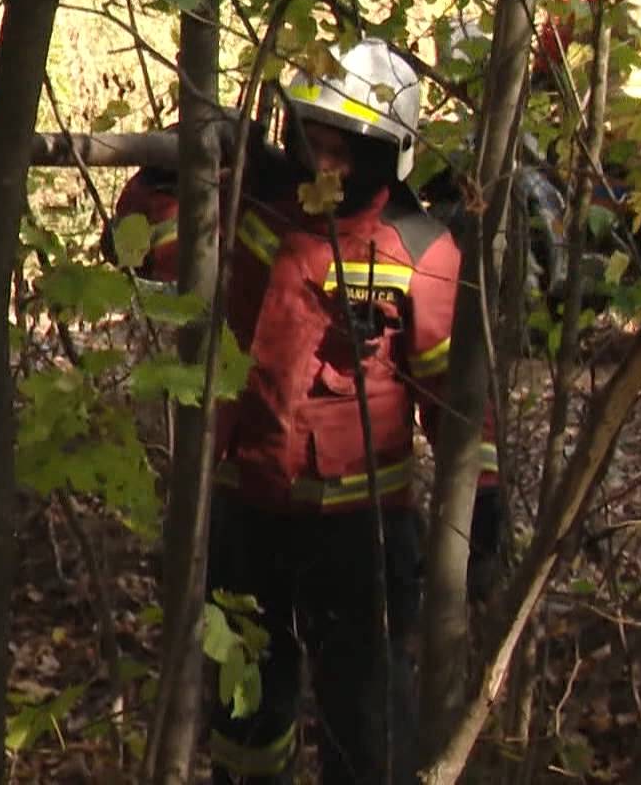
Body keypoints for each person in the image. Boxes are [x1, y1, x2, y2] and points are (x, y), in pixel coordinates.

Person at [108, 39, 502, 785]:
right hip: (244, 515)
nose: (324, 168)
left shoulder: (419, 253)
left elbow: (455, 402)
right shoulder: (256, 207)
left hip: (362, 538)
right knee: (246, 720)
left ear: (386, 155)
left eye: (342, 152)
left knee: (367, 730)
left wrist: (482, 502)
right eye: (312, 145)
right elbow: (141, 249)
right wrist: (177, 166)